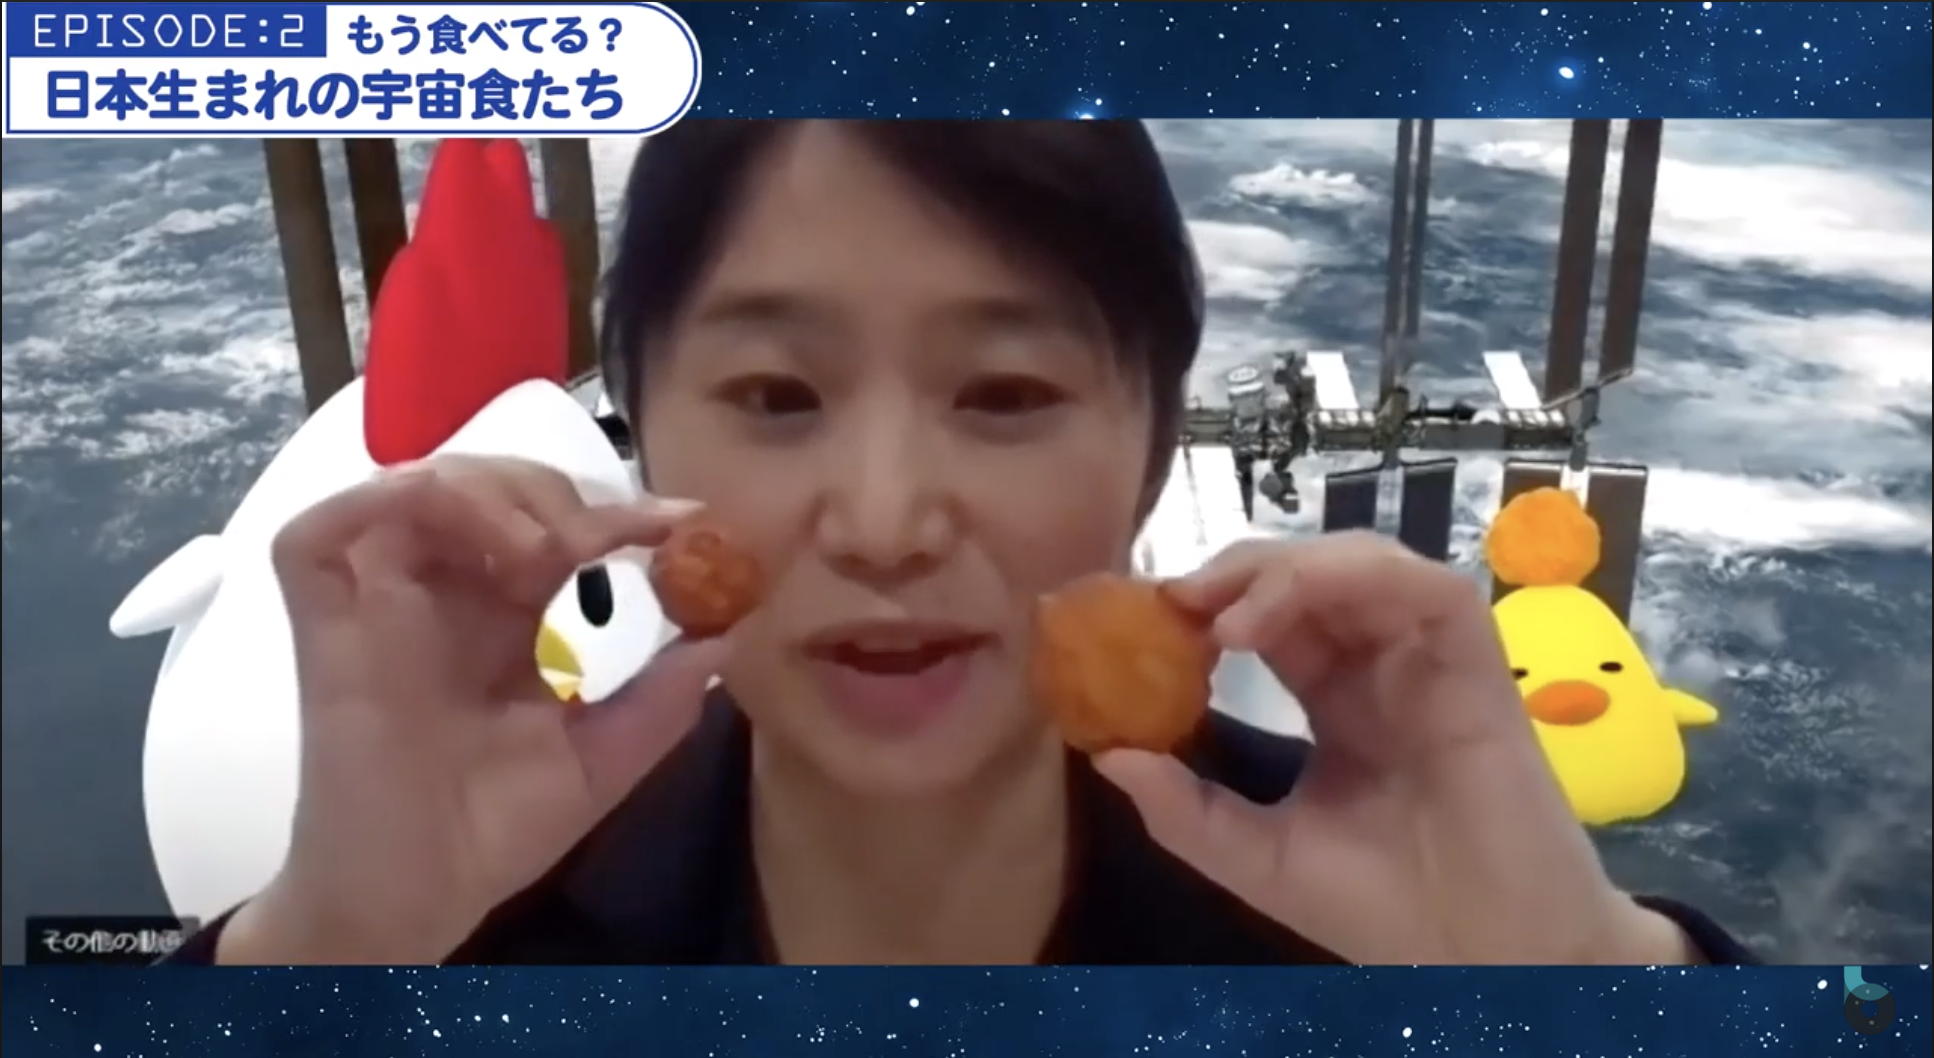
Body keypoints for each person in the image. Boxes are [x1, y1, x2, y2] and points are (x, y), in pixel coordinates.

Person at [171, 120, 1754, 966]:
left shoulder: (1376, 925)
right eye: (775, 394)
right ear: (644, 438)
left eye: (1003, 393)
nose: (883, 521)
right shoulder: (477, 931)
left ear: (1150, 448)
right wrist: (326, 951)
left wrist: (1578, 978)